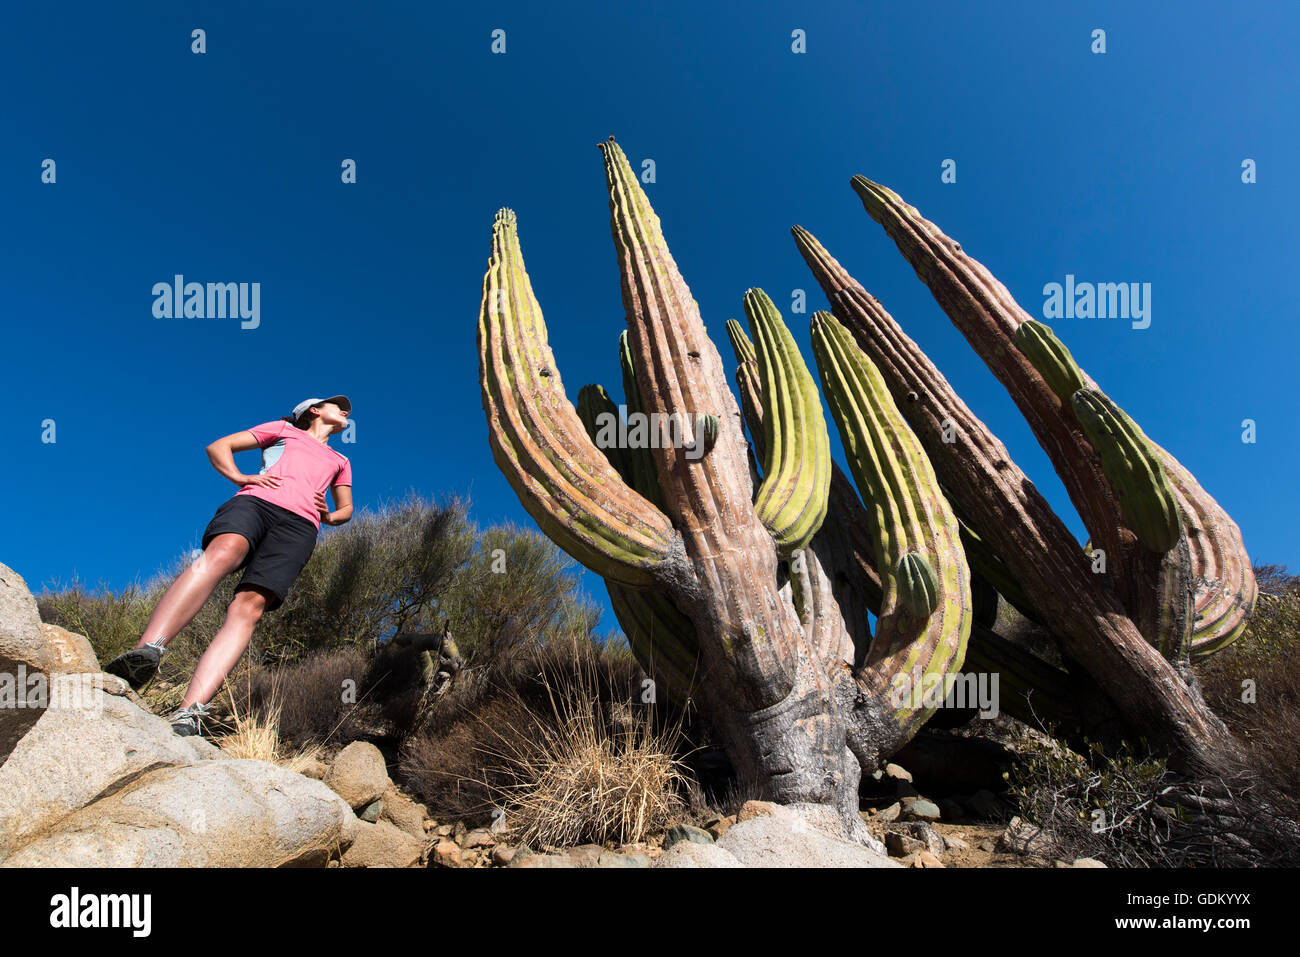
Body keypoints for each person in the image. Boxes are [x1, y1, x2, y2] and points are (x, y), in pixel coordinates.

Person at [104, 395, 354, 736]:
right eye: (336, 405)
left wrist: (329, 515)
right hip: (256, 503)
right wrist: (241, 477)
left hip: (300, 527)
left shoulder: (340, 459)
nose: (344, 411)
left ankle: (189, 713)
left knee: (249, 607)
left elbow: (346, 510)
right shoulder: (282, 429)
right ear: (314, 410)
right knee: (222, 553)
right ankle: (146, 653)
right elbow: (219, 447)